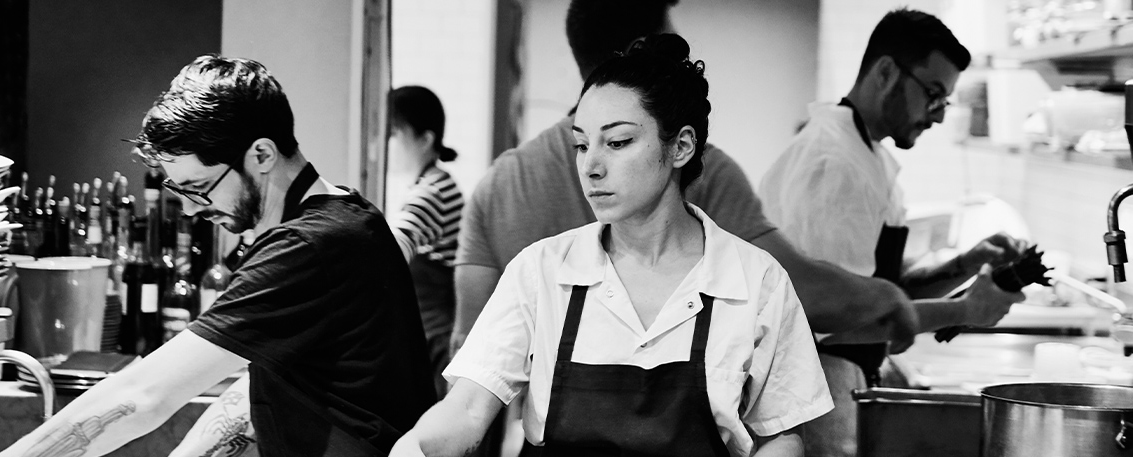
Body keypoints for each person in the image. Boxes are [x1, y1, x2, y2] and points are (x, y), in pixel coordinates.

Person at [392, 34, 831, 457]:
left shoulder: (757, 282)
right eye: (582, 144)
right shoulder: (542, 270)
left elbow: (782, 435)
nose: (591, 167)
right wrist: (416, 445)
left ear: (680, 146)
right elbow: (467, 408)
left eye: (617, 142)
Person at [0, 54, 436, 457]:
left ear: (261, 154)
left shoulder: (309, 247)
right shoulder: (349, 216)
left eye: (198, 187)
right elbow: (255, 392)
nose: (189, 209)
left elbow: (142, 395)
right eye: (177, 190)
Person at [452, 0, 919, 360]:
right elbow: (799, 294)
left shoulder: (500, 185)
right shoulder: (698, 169)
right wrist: (886, 297)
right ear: (644, 56)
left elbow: (468, 346)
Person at [758, 9, 1026, 457]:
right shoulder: (836, 166)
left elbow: (881, 289)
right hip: (815, 390)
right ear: (886, 72)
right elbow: (841, 316)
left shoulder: (866, 156)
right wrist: (967, 309)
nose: (937, 115)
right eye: (933, 94)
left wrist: (965, 265)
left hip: (838, 378)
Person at [386, 85, 465, 396]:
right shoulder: (437, 184)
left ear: (425, 139)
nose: (386, 142)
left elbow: (391, 250)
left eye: (393, 133)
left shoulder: (433, 192)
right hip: (431, 334)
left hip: (437, 340)